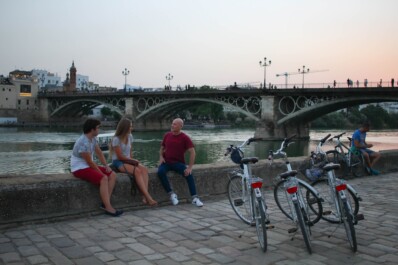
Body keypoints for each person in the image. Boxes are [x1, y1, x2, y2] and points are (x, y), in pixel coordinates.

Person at [71, 118, 123, 217]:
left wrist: (106, 165)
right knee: (103, 178)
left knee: (112, 174)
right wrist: (101, 172)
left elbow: (99, 153)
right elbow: (89, 162)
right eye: (98, 128)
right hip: (79, 168)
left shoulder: (92, 139)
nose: (99, 130)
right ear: (92, 129)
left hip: (86, 165)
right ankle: (108, 208)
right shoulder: (83, 142)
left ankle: (105, 203)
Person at [110, 118, 157, 206]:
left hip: (128, 160)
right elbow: (119, 156)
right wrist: (131, 161)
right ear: (125, 128)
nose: (131, 128)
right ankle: (148, 197)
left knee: (144, 169)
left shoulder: (130, 136)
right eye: (130, 126)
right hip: (118, 162)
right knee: (137, 171)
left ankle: (144, 196)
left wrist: (132, 161)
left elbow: (130, 152)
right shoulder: (116, 139)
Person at [157, 118, 203, 207]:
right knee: (160, 172)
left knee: (188, 174)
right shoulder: (167, 135)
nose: (172, 125)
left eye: (174, 124)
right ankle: (172, 195)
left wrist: (189, 167)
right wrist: (161, 157)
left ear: (180, 126)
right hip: (166, 162)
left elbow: (193, 152)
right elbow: (162, 148)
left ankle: (195, 198)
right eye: (172, 123)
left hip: (178, 163)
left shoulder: (185, 138)